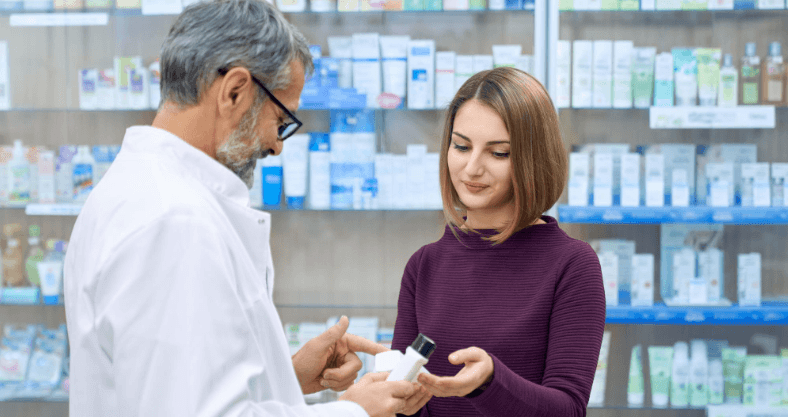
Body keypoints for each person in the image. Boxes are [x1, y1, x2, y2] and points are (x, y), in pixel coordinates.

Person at [63, 0, 428, 415]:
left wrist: (282, 375)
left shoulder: (140, 189)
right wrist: (354, 410)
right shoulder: (174, 222)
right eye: (280, 120)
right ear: (234, 91)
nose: (275, 145)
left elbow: (172, 390)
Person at [391, 67, 607, 417]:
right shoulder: (424, 265)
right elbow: (407, 407)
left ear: (532, 160)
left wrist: (490, 382)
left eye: (498, 153)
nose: (472, 168)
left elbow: (567, 409)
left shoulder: (572, 265)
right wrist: (382, 391)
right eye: (461, 146)